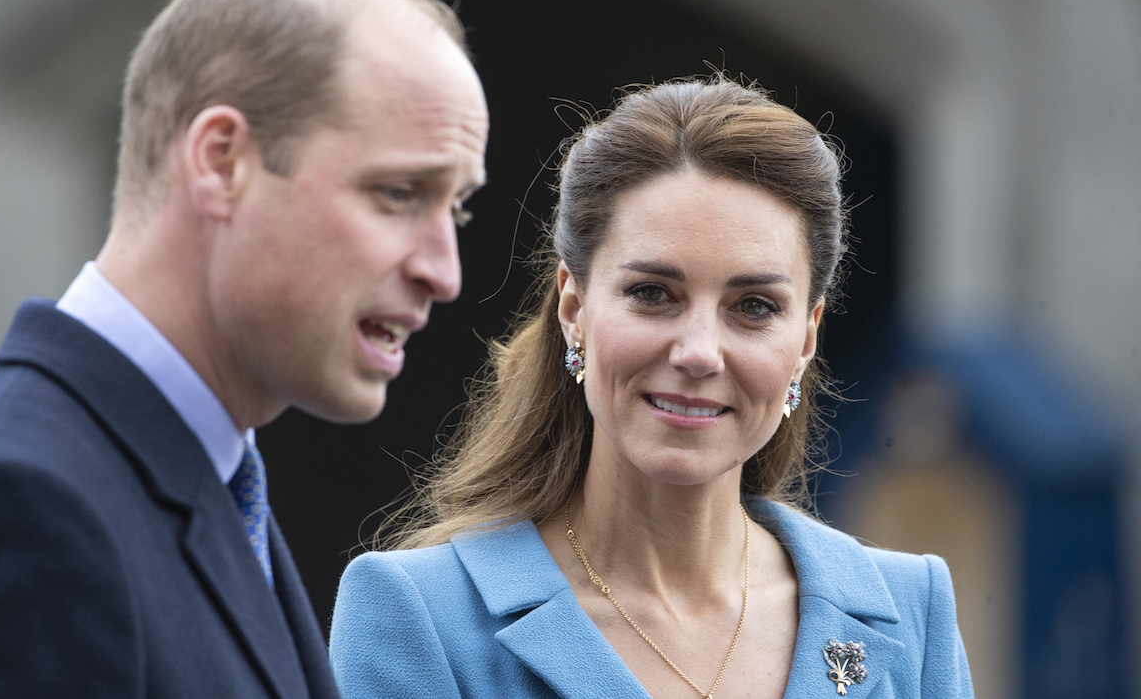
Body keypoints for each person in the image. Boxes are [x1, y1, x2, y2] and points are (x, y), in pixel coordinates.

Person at [0, 0, 488, 698]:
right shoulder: (25, 506)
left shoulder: (209, 480)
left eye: (455, 206)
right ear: (222, 161)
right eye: (398, 193)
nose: (443, 270)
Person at [329, 78, 972, 698]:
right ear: (573, 310)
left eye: (753, 306)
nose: (697, 352)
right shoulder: (423, 617)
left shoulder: (908, 613)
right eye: (652, 294)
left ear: (805, 340)